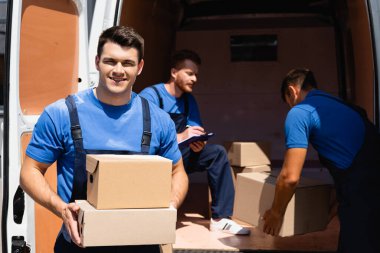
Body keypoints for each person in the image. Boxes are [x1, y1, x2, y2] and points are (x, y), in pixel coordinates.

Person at [19, 26, 188, 253]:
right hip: (79, 244)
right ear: (97, 62)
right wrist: (61, 208)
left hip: (142, 244)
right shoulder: (62, 114)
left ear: (140, 68)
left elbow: (178, 171)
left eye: (127, 63)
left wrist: (170, 206)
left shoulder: (159, 120)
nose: (118, 70)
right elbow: (30, 171)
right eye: (111, 61)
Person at [263, 68, 380, 252]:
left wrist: (276, 213)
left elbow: (289, 177)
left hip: (363, 194)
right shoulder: (340, 104)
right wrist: (332, 209)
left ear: (293, 91)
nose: (291, 108)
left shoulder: (300, 112)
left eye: (289, 103)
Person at [139, 49, 250, 235]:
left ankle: (220, 218)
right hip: (155, 159)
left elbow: (194, 129)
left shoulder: (189, 100)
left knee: (217, 153)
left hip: (181, 156)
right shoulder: (151, 96)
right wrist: (180, 137)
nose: (194, 79)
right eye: (189, 74)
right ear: (174, 73)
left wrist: (198, 142)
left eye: (196, 75)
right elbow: (141, 136)